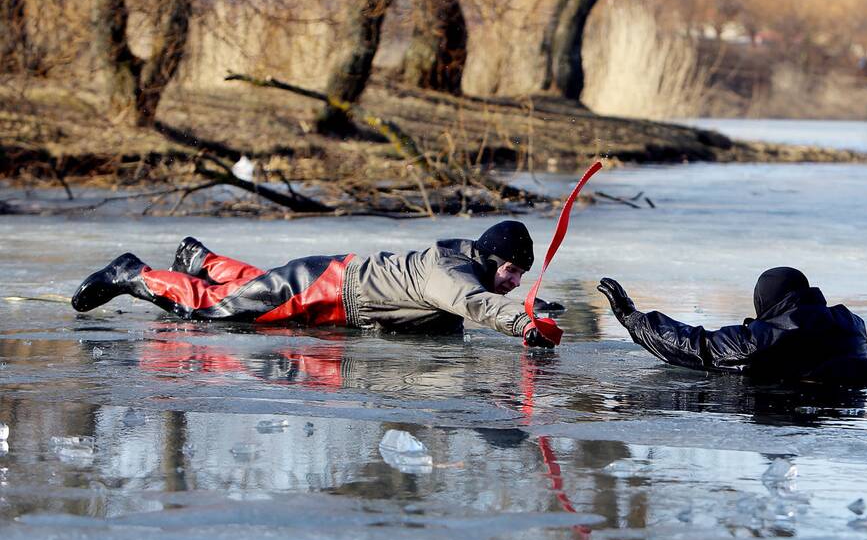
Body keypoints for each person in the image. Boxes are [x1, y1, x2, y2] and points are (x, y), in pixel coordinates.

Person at [70, 220, 560, 346]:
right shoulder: (451, 272)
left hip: (332, 287)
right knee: (217, 312)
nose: (515, 283)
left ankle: (200, 259)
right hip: (329, 288)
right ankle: (132, 274)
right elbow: (469, 303)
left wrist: (538, 312)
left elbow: (475, 300)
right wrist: (521, 324)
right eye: (513, 272)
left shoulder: (465, 267)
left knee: (257, 290)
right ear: (492, 258)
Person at [596, 267, 867, 387]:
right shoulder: (850, 324)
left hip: (794, 400)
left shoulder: (767, 337)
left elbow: (698, 347)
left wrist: (633, 319)